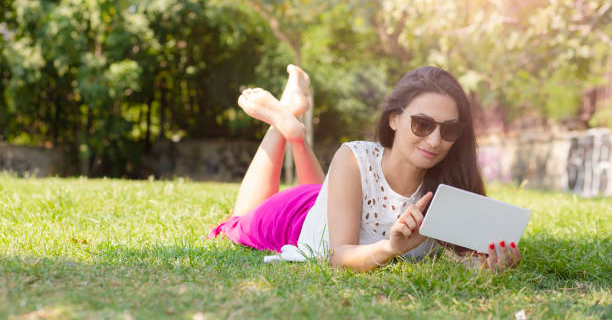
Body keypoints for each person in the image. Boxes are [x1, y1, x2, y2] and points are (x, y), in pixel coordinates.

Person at [209, 65, 522, 272]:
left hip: (332, 201)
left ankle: (293, 119)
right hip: (293, 218)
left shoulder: (450, 183)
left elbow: (455, 256)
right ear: (394, 119)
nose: (436, 140)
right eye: (422, 124)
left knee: (326, 201)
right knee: (236, 223)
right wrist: (390, 247)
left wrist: (488, 263)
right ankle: (287, 127)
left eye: (449, 130)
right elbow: (336, 255)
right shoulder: (354, 158)